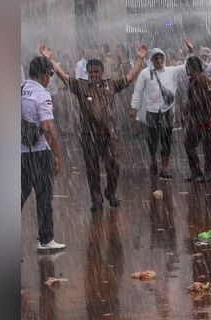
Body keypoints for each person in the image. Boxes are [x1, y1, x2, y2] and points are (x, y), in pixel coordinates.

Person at [41, 43, 147, 211]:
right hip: (88, 135)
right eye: (91, 72)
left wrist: (140, 59)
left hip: (108, 135)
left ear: (102, 72)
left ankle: (110, 192)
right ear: (87, 73)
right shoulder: (81, 86)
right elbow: (63, 75)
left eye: (97, 72)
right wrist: (50, 60)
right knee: (92, 169)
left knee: (114, 165)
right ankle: (96, 199)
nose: (94, 75)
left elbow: (129, 77)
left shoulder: (110, 84)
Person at [131, 38, 194, 180]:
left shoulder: (171, 71)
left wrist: (190, 51)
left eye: (160, 57)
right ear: (152, 60)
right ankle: (153, 159)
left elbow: (186, 66)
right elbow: (138, 91)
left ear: (164, 58)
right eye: (156, 58)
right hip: (152, 111)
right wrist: (134, 107)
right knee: (152, 140)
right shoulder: (145, 73)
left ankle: (165, 168)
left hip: (167, 111)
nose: (158, 60)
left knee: (166, 140)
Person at [22, 56, 64, 250]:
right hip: (39, 152)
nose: (49, 79)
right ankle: (46, 239)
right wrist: (56, 154)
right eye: (49, 74)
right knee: (44, 196)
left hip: (20, 153)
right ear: (43, 75)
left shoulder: (20, 90)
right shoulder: (42, 94)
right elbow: (47, 128)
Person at [182, 55, 211, 182]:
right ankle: (196, 171)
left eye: (188, 66)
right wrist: (184, 114)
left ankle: (208, 173)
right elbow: (190, 100)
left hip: (206, 118)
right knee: (188, 144)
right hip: (194, 118)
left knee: (208, 147)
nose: (186, 69)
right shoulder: (191, 81)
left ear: (193, 68)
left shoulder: (205, 81)